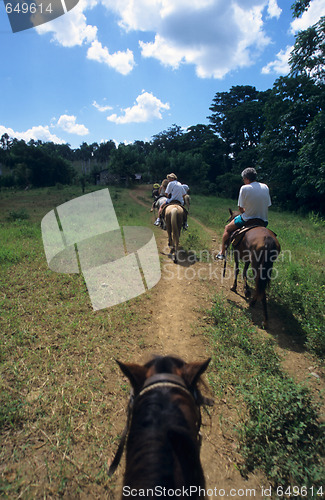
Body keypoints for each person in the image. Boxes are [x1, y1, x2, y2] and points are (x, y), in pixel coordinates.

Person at [216, 167, 271, 259]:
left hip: (247, 219)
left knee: (227, 228)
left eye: (243, 179)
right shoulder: (265, 186)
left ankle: (222, 253)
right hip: (263, 221)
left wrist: (248, 211)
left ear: (246, 178)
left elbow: (241, 209)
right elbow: (268, 205)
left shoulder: (244, 188)